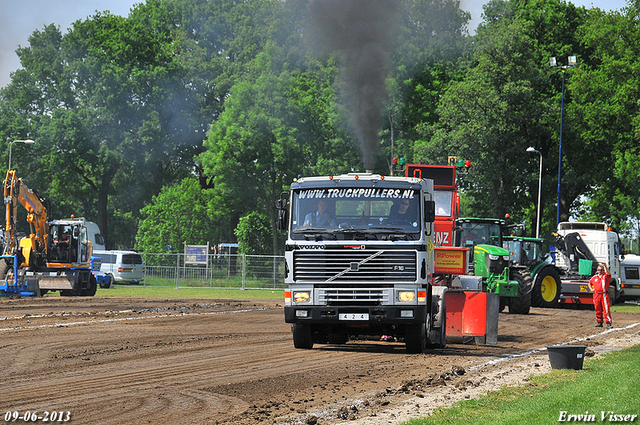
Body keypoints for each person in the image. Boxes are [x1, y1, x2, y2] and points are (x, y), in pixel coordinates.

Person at [588, 262, 612, 328]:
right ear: (597, 270)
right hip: (596, 295)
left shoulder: (605, 276)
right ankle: (599, 322)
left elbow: (608, 273)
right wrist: (591, 289)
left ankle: (608, 322)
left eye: (601, 270)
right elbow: (589, 283)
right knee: (597, 308)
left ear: (603, 270)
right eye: (599, 270)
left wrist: (605, 266)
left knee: (606, 309)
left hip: (604, 294)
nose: (600, 271)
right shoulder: (595, 277)